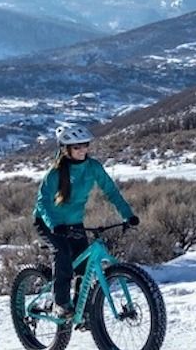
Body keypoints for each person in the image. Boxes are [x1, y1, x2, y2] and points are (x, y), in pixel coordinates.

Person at [33, 123, 137, 318]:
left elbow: (111, 191)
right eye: (77, 147)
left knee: (84, 266)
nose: (83, 150)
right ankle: (60, 303)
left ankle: (82, 312)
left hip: (73, 222)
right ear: (66, 149)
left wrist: (128, 215)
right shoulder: (55, 173)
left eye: (85, 145)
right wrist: (54, 225)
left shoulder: (93, 167)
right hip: (48, 222)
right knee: (62, 252)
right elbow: (43, 202)